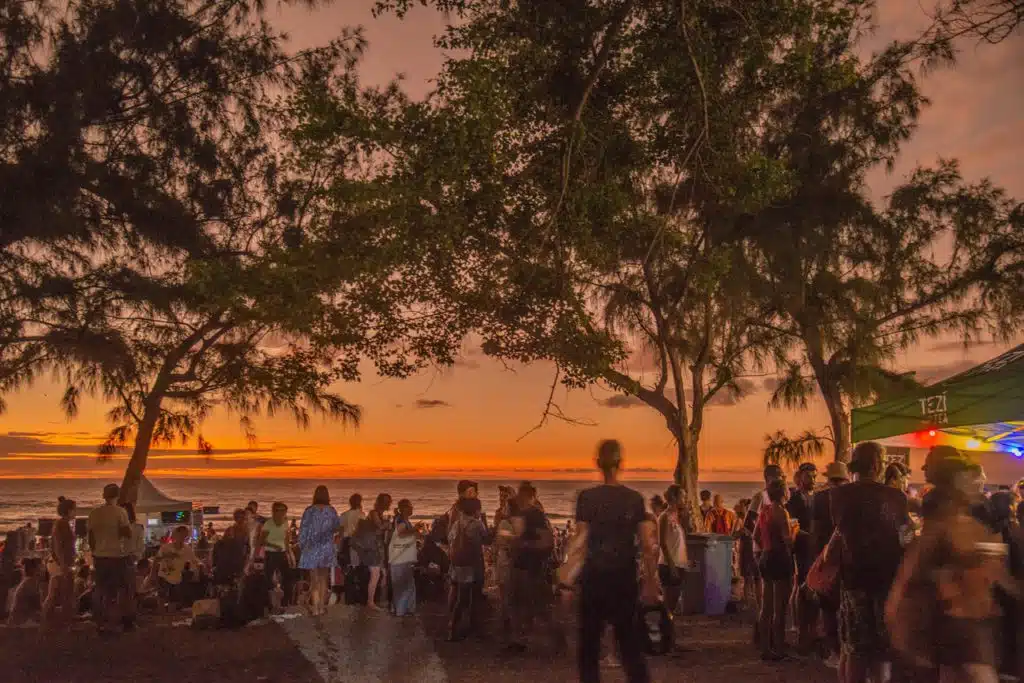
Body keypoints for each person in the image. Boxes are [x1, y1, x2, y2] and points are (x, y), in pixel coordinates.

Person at [887, 446, 1017, 683]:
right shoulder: (942, 525)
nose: (978, 482)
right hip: (957, 627)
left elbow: (991, 570)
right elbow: (909, 577)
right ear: (955, 481)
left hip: (971, 627)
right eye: (969, 477)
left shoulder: (969, 521)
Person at [572, 439, 658, 683]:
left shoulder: (587, 498)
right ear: (621, 464)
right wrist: (651, 582)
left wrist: (566, 578)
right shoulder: (634, 499)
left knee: (588, 650)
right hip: (624, 580)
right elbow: (647, 546)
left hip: (593, 580)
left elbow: (580, 542)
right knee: (630, 648)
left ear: (598, 463)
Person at [830, 442, 911, 683]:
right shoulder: (896, 497)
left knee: (855, 649)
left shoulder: (838, 495)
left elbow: (842, 531)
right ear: (876, 464)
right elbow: (905, 536)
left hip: (853, 579)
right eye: (884, 461)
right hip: (886, 580)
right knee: (882, 652)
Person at [509, 482, 563, 653]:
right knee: (521, 604)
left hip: (533, 567)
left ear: (531, 497)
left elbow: (547, 541)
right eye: (519, 495)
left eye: (523, 495)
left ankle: (558, 640)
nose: (520, 498)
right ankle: (520, 640)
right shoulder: (522, 514)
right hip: (521, 565)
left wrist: (522, 543)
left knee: (540, 605)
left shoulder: (536, 515)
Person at [812, 460, 849, 667]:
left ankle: (834, 652)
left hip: (825, 555)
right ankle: (845, 649)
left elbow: (815, 531)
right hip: (847, 557)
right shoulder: (852, 497)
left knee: (827, 607)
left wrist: (817, 558)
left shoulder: (819, 498)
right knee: (846, 605)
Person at [755, 478, 794, 661]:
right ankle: (779, 648)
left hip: (765, 556)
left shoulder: (764, 511)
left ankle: (765, 648)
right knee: (780, 607)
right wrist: (795, 531)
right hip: (779, 558)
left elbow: (756, 535)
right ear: (783, 492)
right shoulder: (781, 512)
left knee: (766, 606)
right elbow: (788, 540)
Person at [87, 483, 132, 634]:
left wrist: (94, 551)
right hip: (116, 555)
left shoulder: (94, 513)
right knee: (120, 589)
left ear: (103, 495)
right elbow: (127, 533)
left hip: (99, 555)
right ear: (117, 496)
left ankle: (99, 620)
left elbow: (91, 536)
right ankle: (118, 620)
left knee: (100, 588)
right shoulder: (120, 512)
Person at [786, 462, 817, 655]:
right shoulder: (794, 499)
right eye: (809, 476)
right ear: (800, 477)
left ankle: (809, 628)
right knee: (801, 584)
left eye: (814, 476)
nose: (813, 479)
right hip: (801, 548)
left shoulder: (816, 498)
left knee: (810, 585)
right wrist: (807, 535)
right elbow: (791, 526)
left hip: (814, 548)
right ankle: (798, 625)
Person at [447, 497, 488, 641]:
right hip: (472, 564)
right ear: (476, 510)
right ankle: (466, 627)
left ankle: (454, 626)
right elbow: (486, 539)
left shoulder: (457, 524)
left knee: (462, 596)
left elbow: (450, 539)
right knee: (472, 597)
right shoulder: (477, 524)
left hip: (458, 564)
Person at [298, 486, 340, 617]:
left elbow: (303, 530)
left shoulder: (309, 511)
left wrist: (302, 545)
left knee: (314, 579)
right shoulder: (331, 511)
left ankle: (315, 608)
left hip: (312, 548)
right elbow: (336, 527)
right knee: (323, 579)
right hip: (326, 548)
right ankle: (321, 607)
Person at [42, 497, 77, 629]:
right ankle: (62, 621)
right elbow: (59, 546)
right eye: (74, 510)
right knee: (61, 593)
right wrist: (64, 565)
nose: (76, 512)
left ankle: (59, 620)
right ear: (69, 511)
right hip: (61, 563)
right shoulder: (61, 524)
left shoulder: (63, 524)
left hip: (61, 562)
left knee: (58, 593)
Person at [152, 525, 200, 609]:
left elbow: (194, 560)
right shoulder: (166, 547)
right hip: (164, 576)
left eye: (185, 535)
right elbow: (156, 559)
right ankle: (162, 617)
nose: (183, 537)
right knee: (161, 599)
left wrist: (201, 565)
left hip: (177, 578)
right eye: (181, 535)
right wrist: (152, 574)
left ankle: (170, 618)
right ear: (176, 535)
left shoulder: (187, 549)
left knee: (173, 601)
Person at [658, 484, 688, 619]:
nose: (685, 500)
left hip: (678, 564)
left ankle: (667, 630)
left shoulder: (677, 517)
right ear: (674, 498)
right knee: (668, 604)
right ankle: (664, 632)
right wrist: (672, 566)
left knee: (673, 604)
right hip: (668, 565)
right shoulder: (665, 516)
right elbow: (663, 543)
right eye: (683, 497)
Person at [389, 499, 419, 617]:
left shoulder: (403, 520)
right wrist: (415, 529)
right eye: (410, 506)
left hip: (402, 556)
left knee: (405, 583)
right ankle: (401, 611)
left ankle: (403, 609)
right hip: (400, 557)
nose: (412, 508)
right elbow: (401, 534)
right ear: (404, 509)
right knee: (403, 584)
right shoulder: (401, 521)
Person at [261, 502, 294, 607]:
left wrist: (290, 554)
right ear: (275, 511)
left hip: (282, 553)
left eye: (285, 511)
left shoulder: (285, 522)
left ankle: (285, 602)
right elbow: (261, 540)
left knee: (288, 578)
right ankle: (268, 603)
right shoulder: (268, 524)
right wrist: (274, 546)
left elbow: (286, 540)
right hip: (271, 553)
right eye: (281, 511)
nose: (283, 513)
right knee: (268, 579)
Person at [367, 493, 392, 611]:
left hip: (379, 548)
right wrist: (387, 524)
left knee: (383, 574)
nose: (389, 504)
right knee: (376, 574)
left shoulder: (380, 514)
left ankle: (378, 600)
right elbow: (380, 527)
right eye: (387, 502)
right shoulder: (374, 513)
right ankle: (371, 602)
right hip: (373, 548)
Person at [7, 558, 42, 626]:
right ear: (35, 569)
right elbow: (37, 607)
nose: (43, 569)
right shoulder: (30, 582)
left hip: (21, 620)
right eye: (41, 567)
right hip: (21, 623)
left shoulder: (29, 581)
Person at [338, 494, 365, 566]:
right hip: (358, 542)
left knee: (347, 564)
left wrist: (339, 547)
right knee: (357, 565)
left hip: (347, 541)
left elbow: (341, 532)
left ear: (350, 502)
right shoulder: (362, 514)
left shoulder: (344, 515)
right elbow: (362, 530)